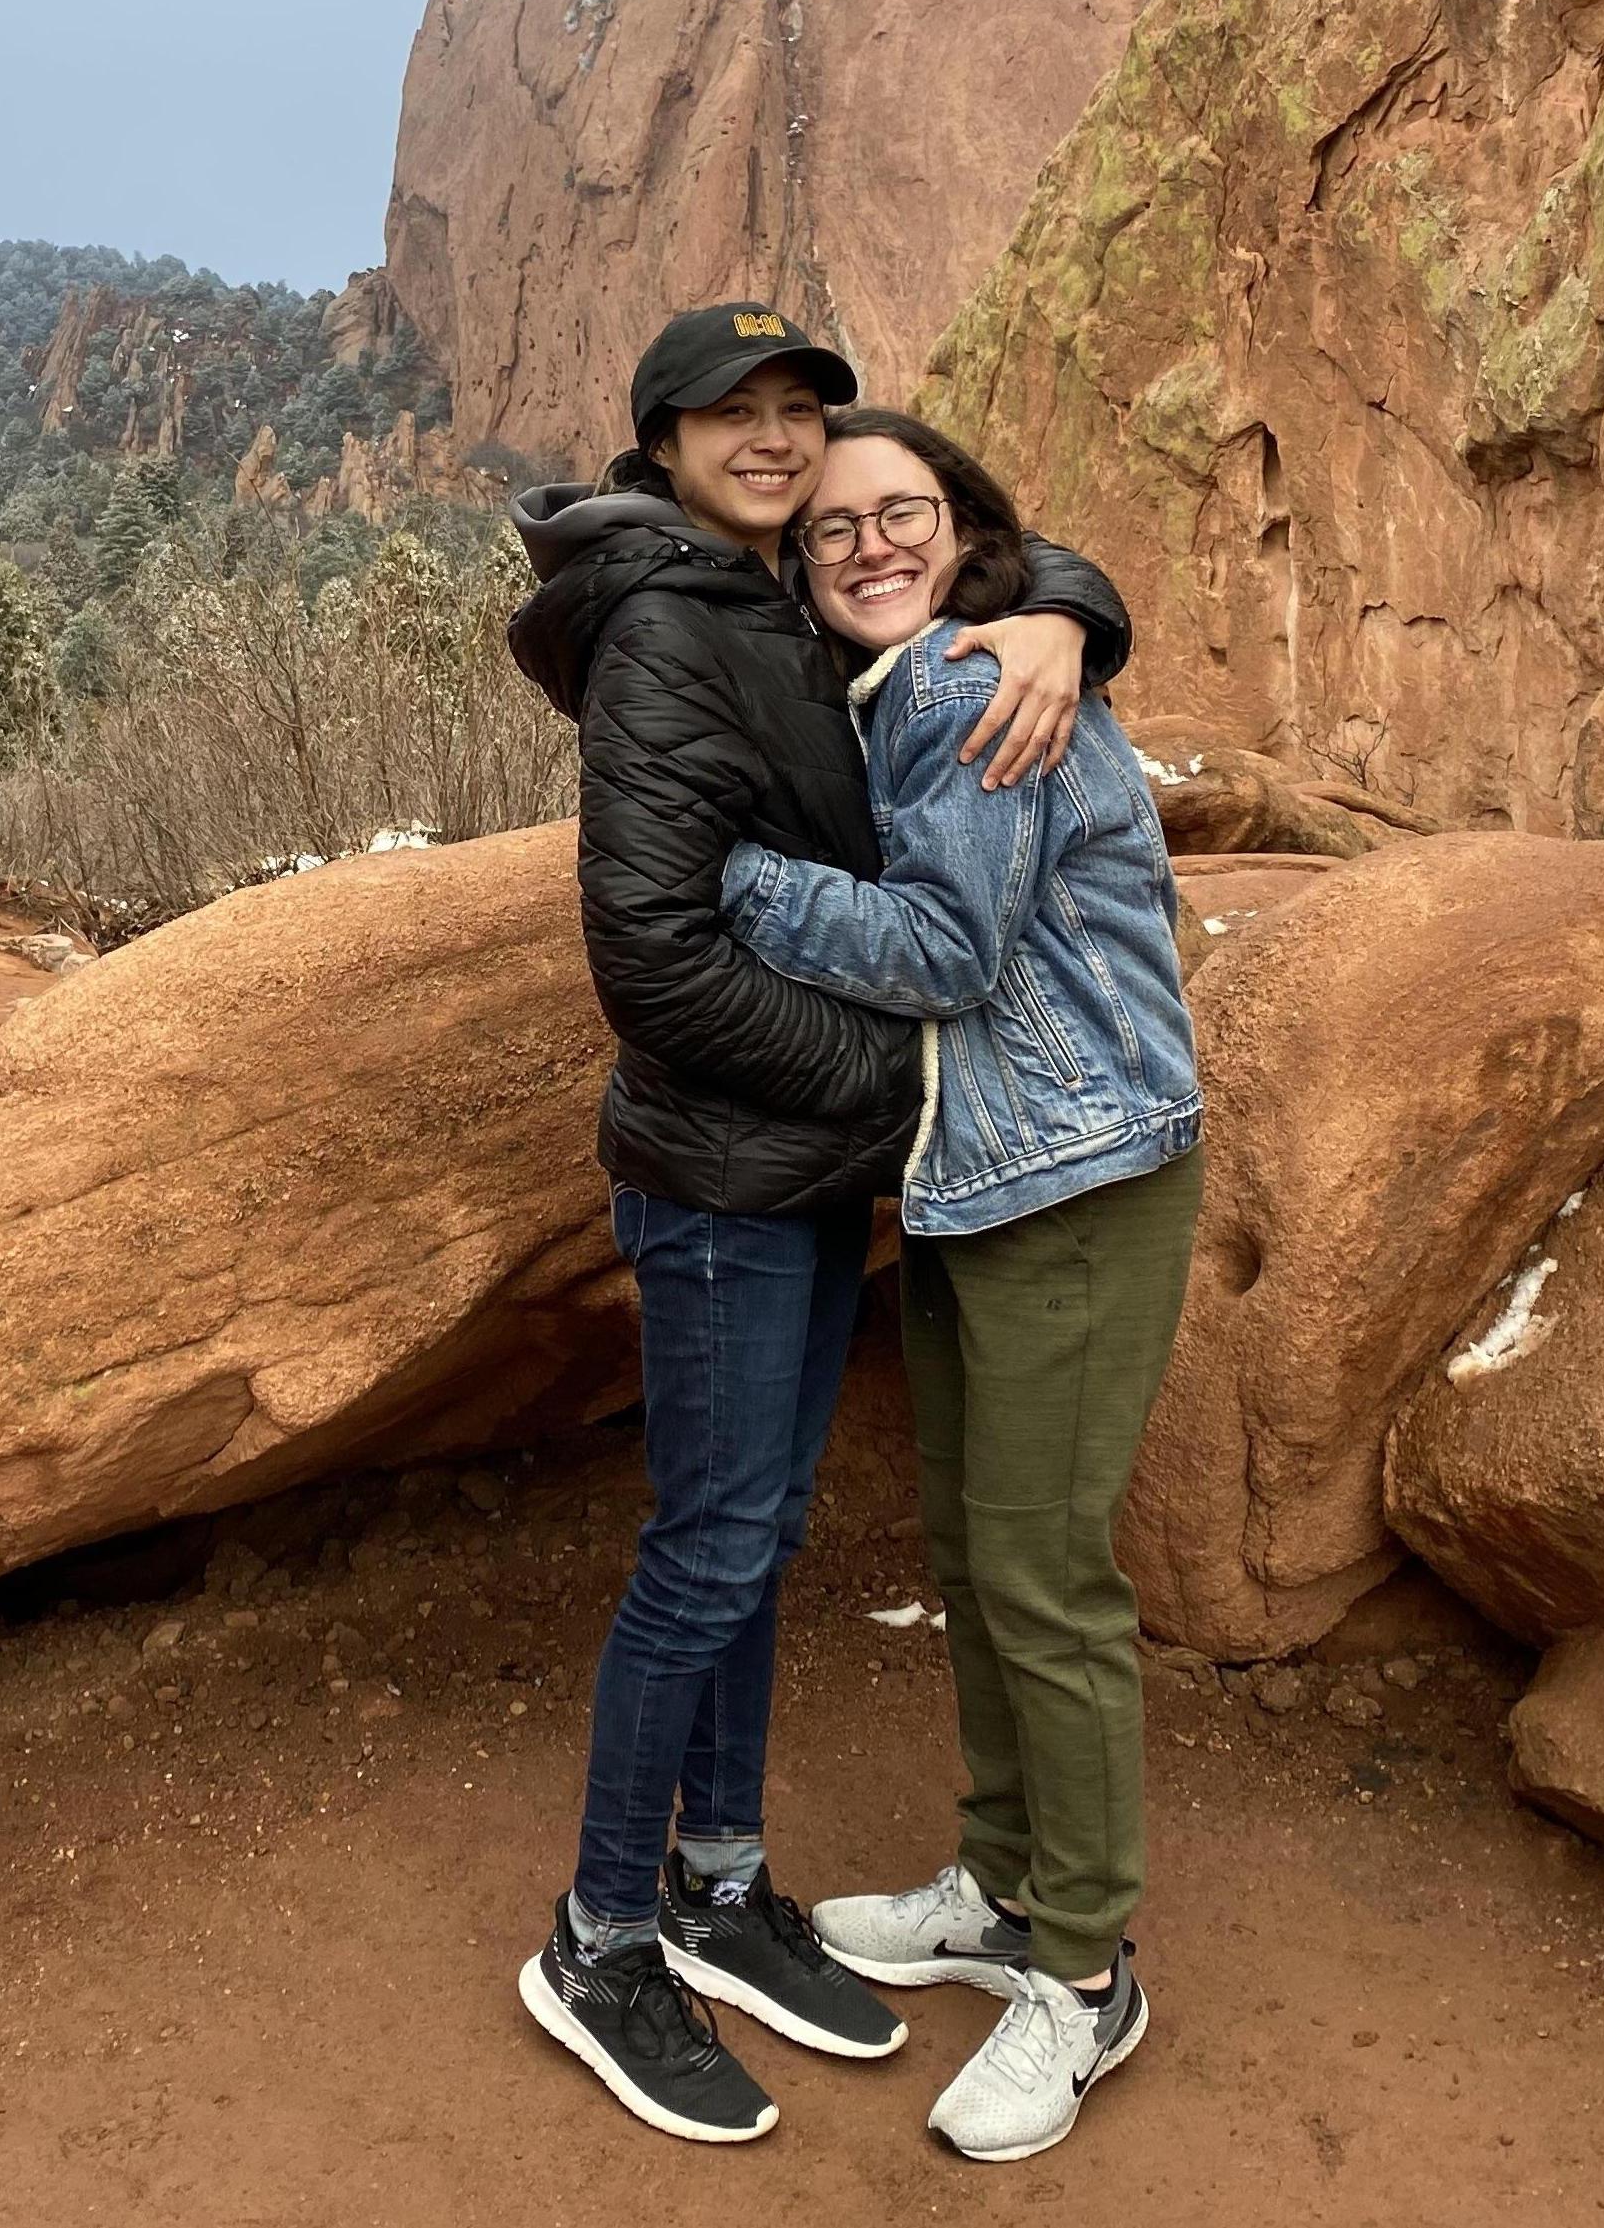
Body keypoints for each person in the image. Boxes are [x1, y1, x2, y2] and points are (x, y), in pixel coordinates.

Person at [502, 305, 1130, 2147]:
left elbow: (975, 550)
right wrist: (880, 1092)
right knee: (707, 1546)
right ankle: (602, 1930)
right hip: (719, 1176)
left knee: (757, 1536)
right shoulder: (658, 632)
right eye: (733, 416)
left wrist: (1056, 616)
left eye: (800, 409)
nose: (778, 442)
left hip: (791, 1177)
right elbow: (653, 960)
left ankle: (715, 1880)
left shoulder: (777, 588)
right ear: (660, 440)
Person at [715, 405, 1203, 2167]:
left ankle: (1081, 1969)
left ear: (962, 525)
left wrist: (732, 878)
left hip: (1075, 1176)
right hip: (986, 1183)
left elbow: (944, 946)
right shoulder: (931, 679)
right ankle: (1002, 1887)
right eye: (828, 526)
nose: (863, 544)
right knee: (975, 1558)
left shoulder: (954, 689)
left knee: (1041, 1579)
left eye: (896, 511)